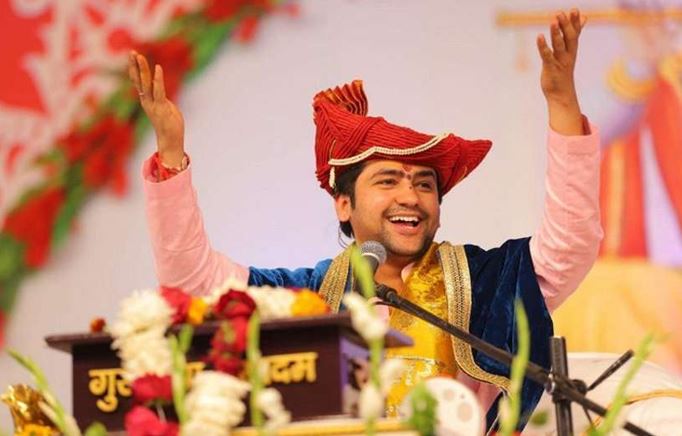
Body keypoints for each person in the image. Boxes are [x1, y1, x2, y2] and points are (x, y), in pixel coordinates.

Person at [129, 8, 601, 430]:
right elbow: (193, 281)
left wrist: (562, 107)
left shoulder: (487, 282)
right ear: (343, 205)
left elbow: (570, 244)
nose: (410, 197)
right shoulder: (308, 300)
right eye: (388, 181)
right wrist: (170, 154)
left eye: (424, 184)